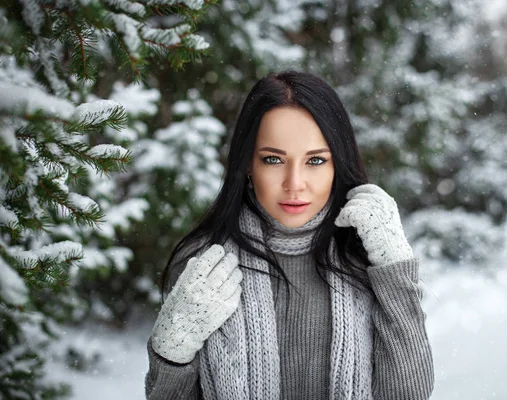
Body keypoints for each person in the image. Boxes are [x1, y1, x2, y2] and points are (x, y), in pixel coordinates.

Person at [145, 71, 435, 399]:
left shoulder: (366, 257)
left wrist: (394, 266)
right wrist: (171, 352)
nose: (294, 183)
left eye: (315, 160)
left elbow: (409, 394)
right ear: (248, 165)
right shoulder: (205, 266)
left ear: (336, 165)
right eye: (273, 159)